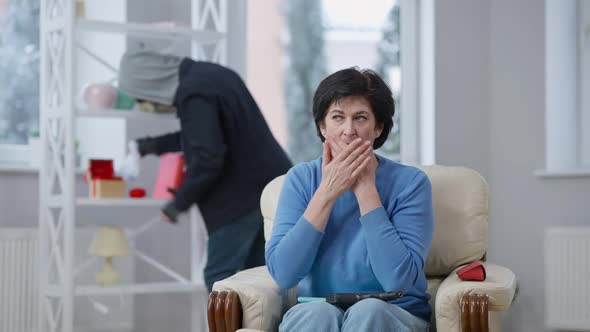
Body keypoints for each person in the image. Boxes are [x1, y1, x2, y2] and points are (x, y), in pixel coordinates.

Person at [265, 68, 433, 331]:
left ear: (378, 127)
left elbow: (397, 280)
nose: (348, 131)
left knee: (370, 311)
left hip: (392, 313)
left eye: (361, 118)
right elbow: (284, 274)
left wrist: (366, 189)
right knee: (316, 314)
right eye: (337, 117)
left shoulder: (410, 184)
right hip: (317, 308)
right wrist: (327, 192)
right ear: (322, 126)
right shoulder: (301, 179)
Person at [117, 51, 292, 290]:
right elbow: (202, 136)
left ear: (150, 84)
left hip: (241, 198)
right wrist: (149, 146)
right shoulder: (212, 75)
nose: (145, 106)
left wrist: (178, 203)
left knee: (219, 276)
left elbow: (208, 157)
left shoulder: (194, 93)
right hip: (271, 188)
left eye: (142, 99)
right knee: (260, 276)